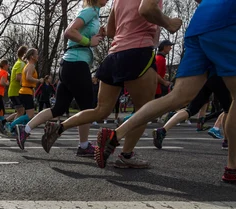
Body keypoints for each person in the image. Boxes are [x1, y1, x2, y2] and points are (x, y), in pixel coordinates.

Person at [40, 0, 182, 169]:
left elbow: (111, 31)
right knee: (144, 110)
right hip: (139, 52)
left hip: (114, 55)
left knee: (100, 110)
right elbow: (147, 8)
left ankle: (59, 127)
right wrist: (169, 23)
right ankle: (126, 155)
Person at [107, 0, 235, 182]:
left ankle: (116, 133)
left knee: (178, 96)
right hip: (227, 19)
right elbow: (146, 8)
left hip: (200, 24)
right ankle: (232, 167)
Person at [15, 0, 107, 153]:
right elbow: (69, 32)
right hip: (76, 64)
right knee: (87, 108)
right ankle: (83, 146)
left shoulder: (94, 14)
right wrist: (89, 41)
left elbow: (83, 34)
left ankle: (25, 129)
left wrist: (97, 35)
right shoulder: (89, 11)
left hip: (69, 65)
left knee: (58, 108)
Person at [152, 75, 231, 148]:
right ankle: (226, 141)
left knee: (190, 110)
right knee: (228, 109)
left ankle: (162, 130)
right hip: (220, 77)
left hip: (205, 78)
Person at [8, 48, 41, 142]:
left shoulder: (26, 65)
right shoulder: (31, 66)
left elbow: (23, 80)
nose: (38, 56)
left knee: (28, 114)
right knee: (30, 115)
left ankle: (22, 130)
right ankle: (11, 126)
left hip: (25, 91)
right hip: (26, 92)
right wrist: (38, 80)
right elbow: (28, 77)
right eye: (36, 54)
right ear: (32, 56)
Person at [3, 45, 28, 134]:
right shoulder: (21, 64)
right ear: (24, 54)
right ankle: (10, 127)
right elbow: (18, 77)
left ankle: (12, 127)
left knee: (20, 111)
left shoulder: (19, 63)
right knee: (21, 111)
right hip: (16, 91)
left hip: (14, 91)